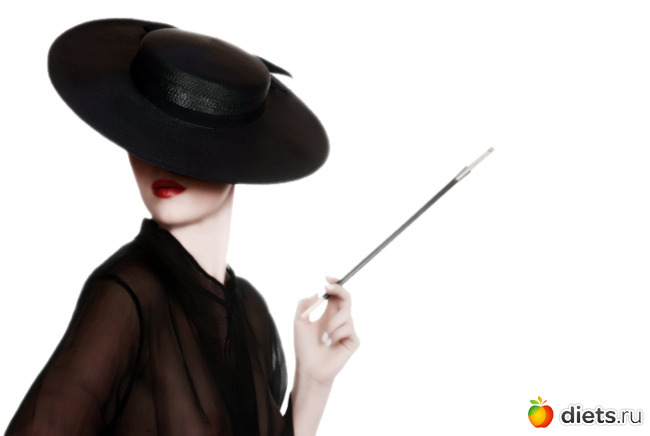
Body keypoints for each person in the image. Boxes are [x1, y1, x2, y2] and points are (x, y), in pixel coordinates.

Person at [6, 18, 358, 435]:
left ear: (243, 159)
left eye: (192, 149)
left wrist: (314, 382)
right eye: (148, 137)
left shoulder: (251, 314)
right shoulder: (128, 295)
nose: (164, 163)